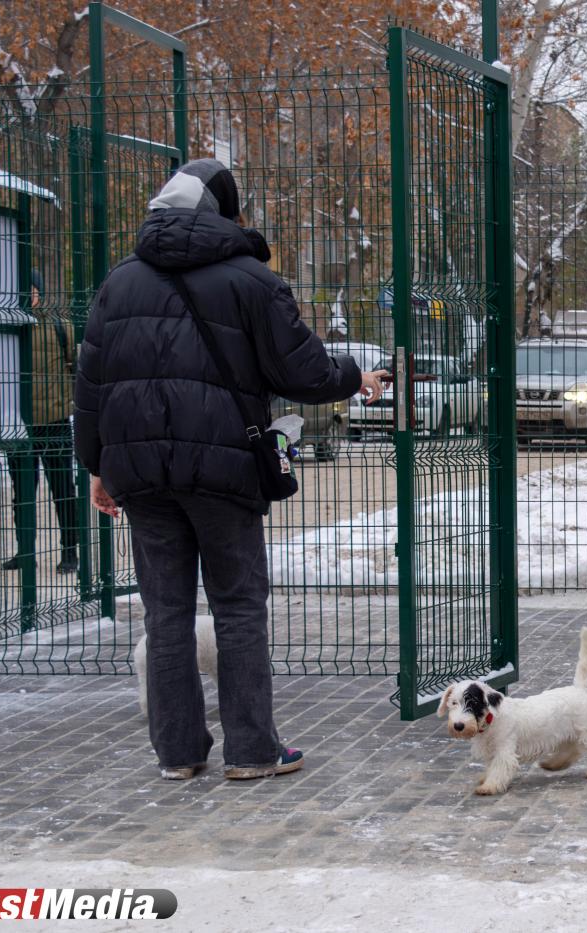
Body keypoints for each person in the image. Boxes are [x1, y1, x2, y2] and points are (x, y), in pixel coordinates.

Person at [74, 159, 387, 781]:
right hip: (223, 471)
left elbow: (91, 383)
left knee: (165, 614)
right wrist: (356, 377)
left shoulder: (120, 282)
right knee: (238, 608)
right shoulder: (251, 280)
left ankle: (178, 754)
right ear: (223, 210)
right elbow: (302, 371)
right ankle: (251, 752)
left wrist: (96, 465)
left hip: (141, 475)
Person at [4, 271, 80, 574]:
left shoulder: (60, 326)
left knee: (63, 489)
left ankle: (70, 552)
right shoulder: (6, 326)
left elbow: (75, 365)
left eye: (31, 289)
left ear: (40, 292)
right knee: (22, 493)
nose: (27, 295)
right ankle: (25, 551)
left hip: (54, 419)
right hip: (17, 424)